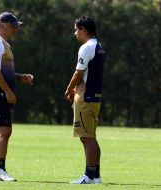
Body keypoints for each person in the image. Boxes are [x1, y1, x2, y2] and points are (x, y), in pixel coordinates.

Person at [0, 12, 34, 181]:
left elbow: (3, 71)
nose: (15, 30)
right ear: (2, 24)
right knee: (5, 131)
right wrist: (8, 92)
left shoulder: (3, 44)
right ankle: (0, 171)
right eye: (13, 26)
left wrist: (19, 77)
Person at [65, 16, 105, 184]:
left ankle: (88, 175)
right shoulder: (99, 46)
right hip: (95, 97)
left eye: (77, 29)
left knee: (86, 138)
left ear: (84, 30)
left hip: (85, 97)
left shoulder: (86, 47)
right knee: (91, 137)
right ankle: (95, 175)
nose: (75, 33)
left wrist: (69, 88)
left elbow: (79, 73)